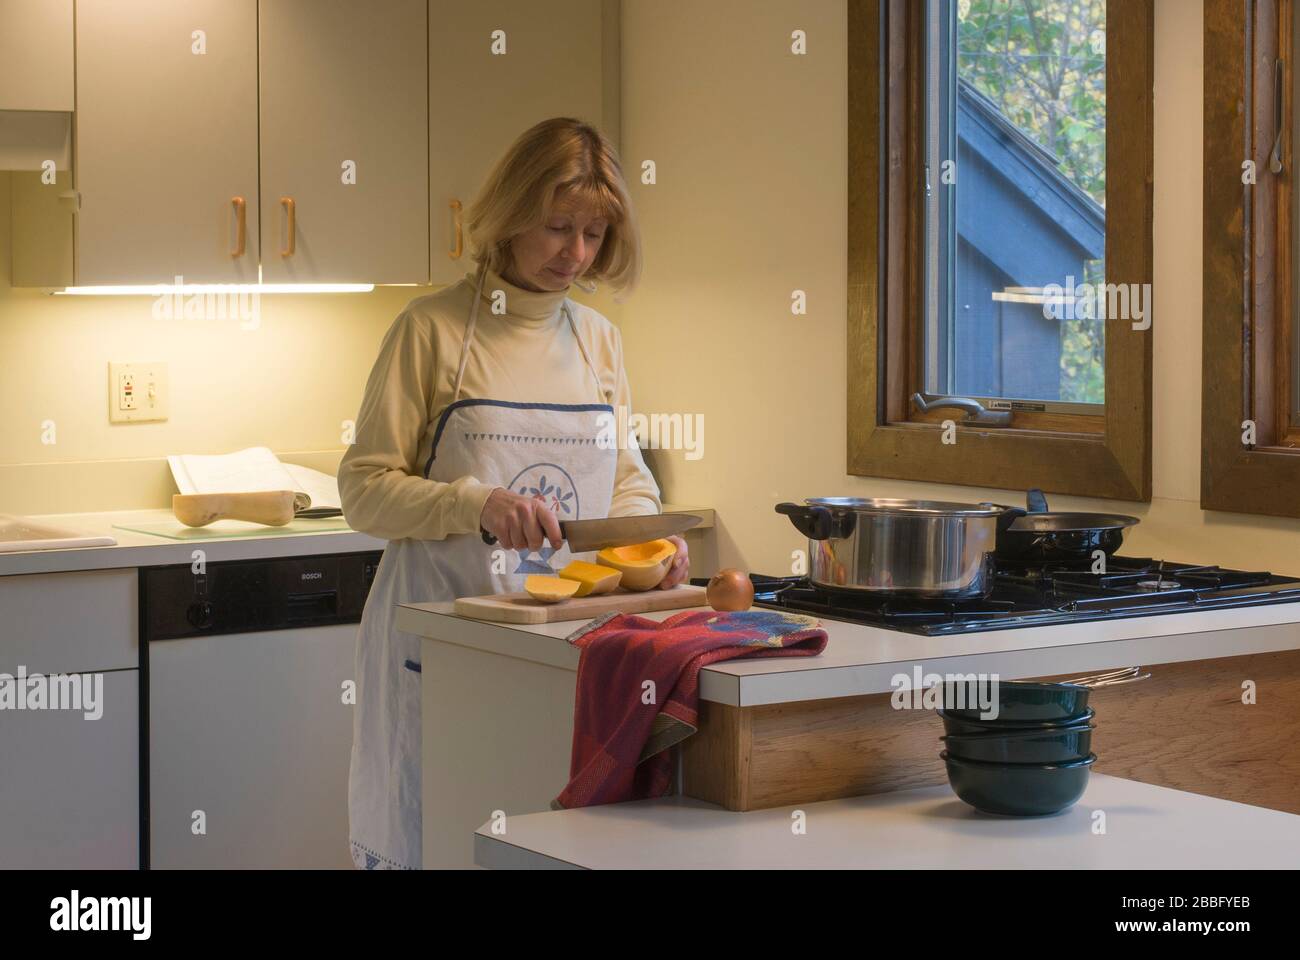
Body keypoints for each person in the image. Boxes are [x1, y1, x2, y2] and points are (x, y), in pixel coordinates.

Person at [337, 117, 688, 869]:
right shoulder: (427, 330)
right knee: (433, 840)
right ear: (507, 215)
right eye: (559, 226)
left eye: (595, 232)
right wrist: (477, 504)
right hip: (443, 649)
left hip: (563, 655)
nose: (578, 253)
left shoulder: (598, 340)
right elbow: (364, 490)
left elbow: (623, 482)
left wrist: (648, 542)